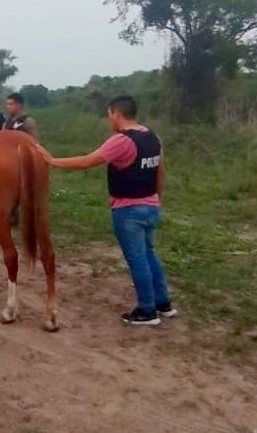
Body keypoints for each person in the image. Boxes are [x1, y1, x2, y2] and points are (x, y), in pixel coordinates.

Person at [34, 95, 177, 326]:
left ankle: (147, 311)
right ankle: (164, 304)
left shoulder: (121, 141)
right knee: (149, 254)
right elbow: (161, 172)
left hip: (129, 210)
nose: (109, 119)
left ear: (116, 113)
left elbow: (88, 161)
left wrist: (52, 161)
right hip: (150, 207)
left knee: (138, 258)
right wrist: (155, 199)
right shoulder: (152, 137)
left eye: (109, 114)